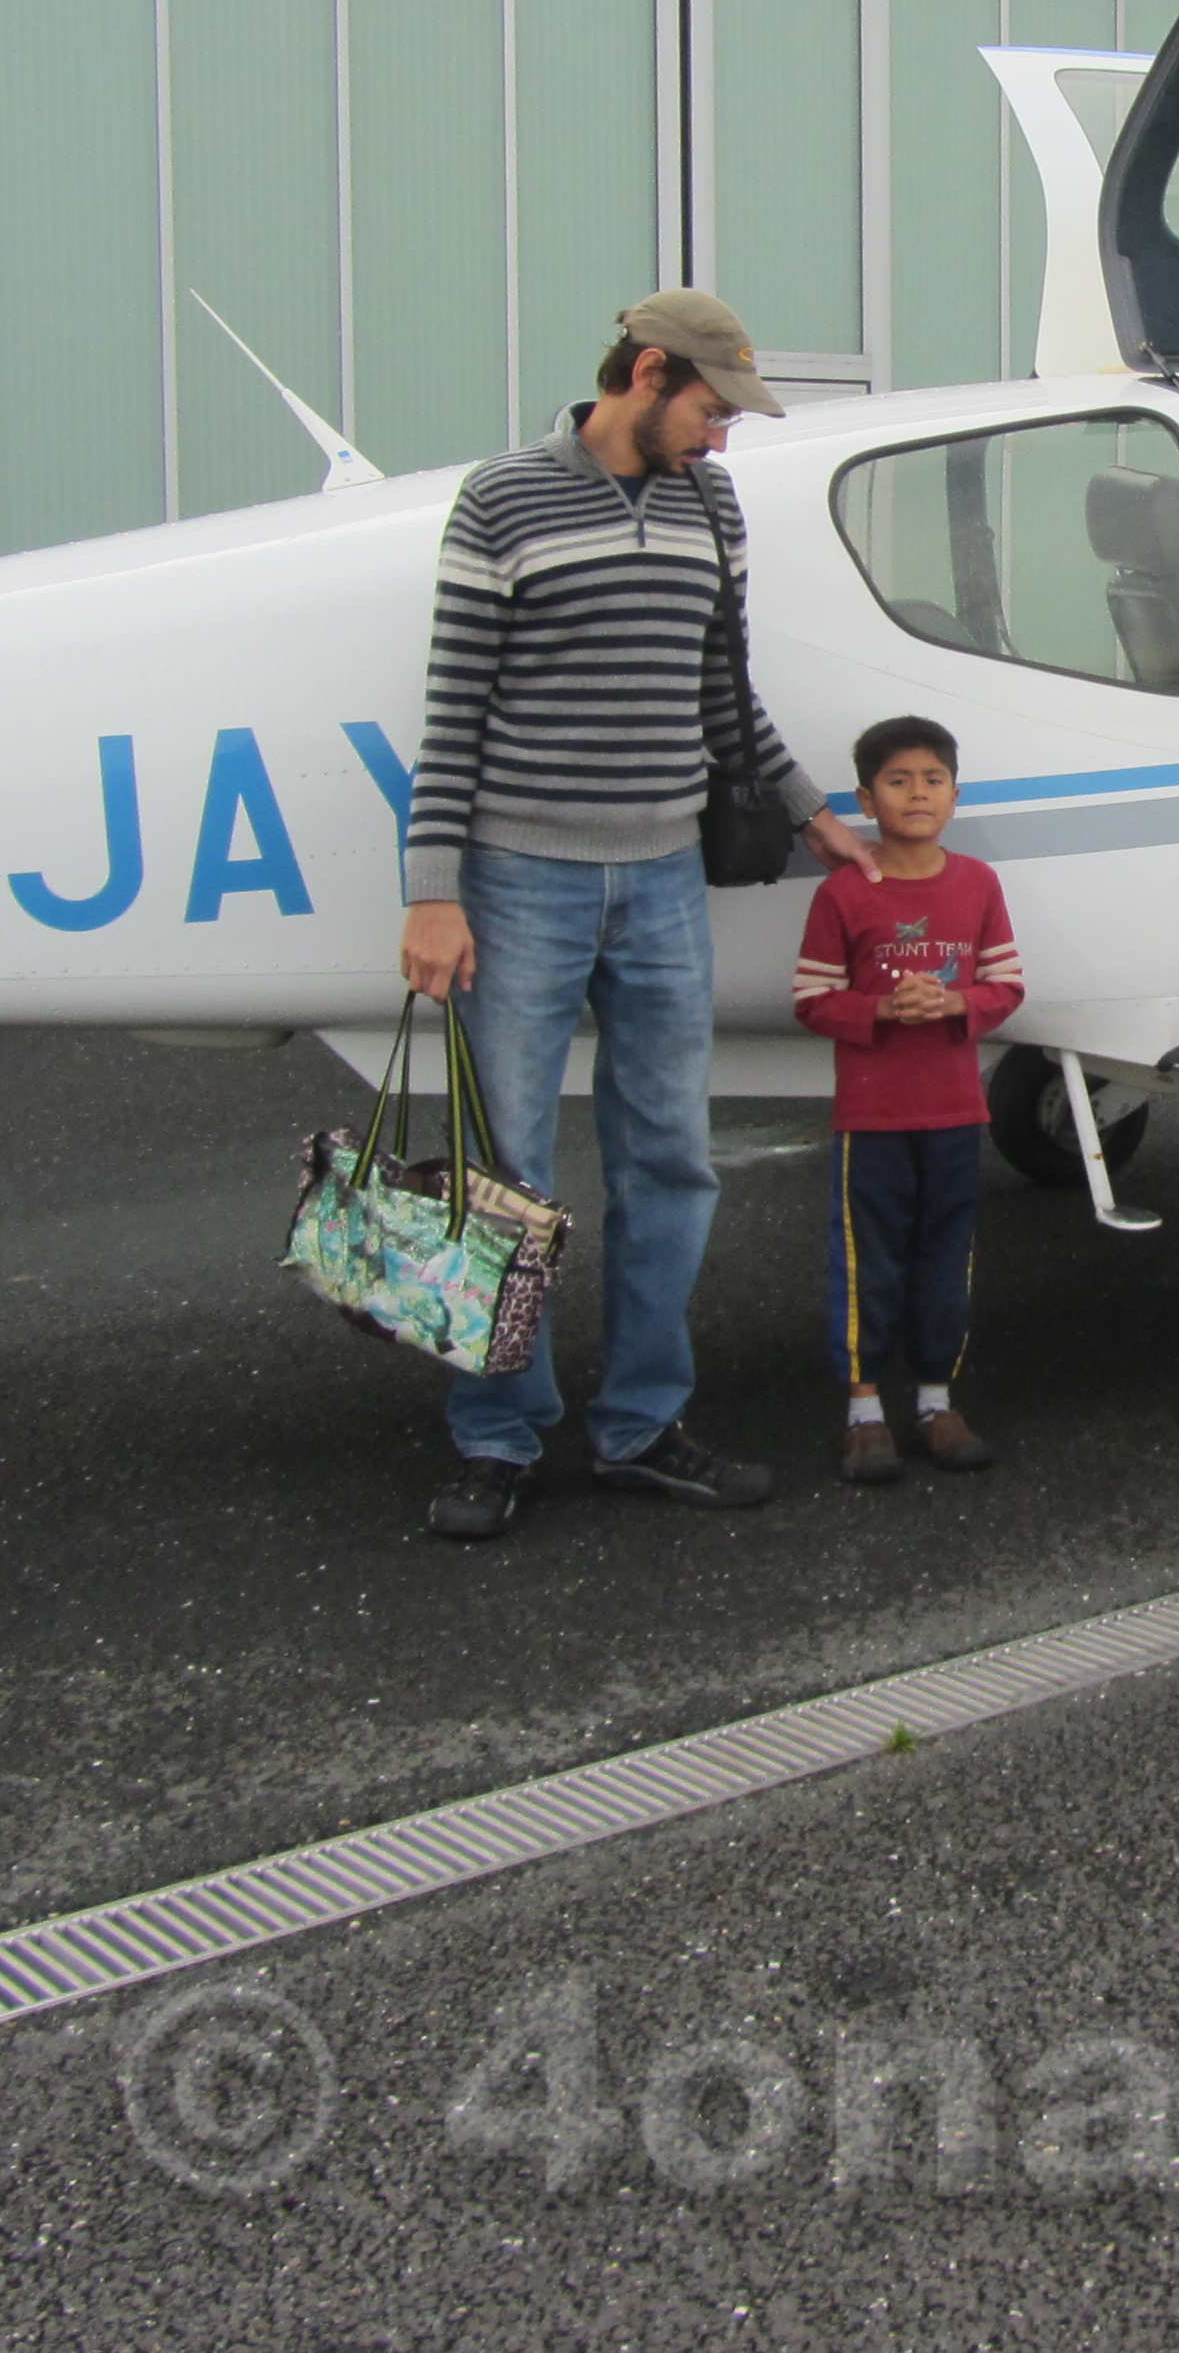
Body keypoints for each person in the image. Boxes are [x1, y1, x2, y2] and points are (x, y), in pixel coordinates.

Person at [400, 289, 879, 1541]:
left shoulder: (707, 504)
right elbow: (453, 710)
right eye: (711, 410)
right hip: (521, 881)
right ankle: (498, 1436)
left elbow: (727, 686)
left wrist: (808, 809)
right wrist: (432, 893)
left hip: (664, 878)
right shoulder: (502, 499)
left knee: (669, 1160)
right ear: (647, 372)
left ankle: (639, 1427)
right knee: (506, 1174)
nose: (721, 440)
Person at [790, 716, 1024, 1484]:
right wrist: (885, 1010)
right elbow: (813, 999)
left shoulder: (978, 884)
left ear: (956, 795)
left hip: (958, 1113)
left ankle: (934, 1400)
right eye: (897, 780)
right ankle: (863, 1410)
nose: (917, 793)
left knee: (944, 1255)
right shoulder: (843, 892)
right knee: (869, 1262)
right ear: (865, 798)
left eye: (932, 779)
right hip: (873, 1117)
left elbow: (1006, 986)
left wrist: (953, 1005)